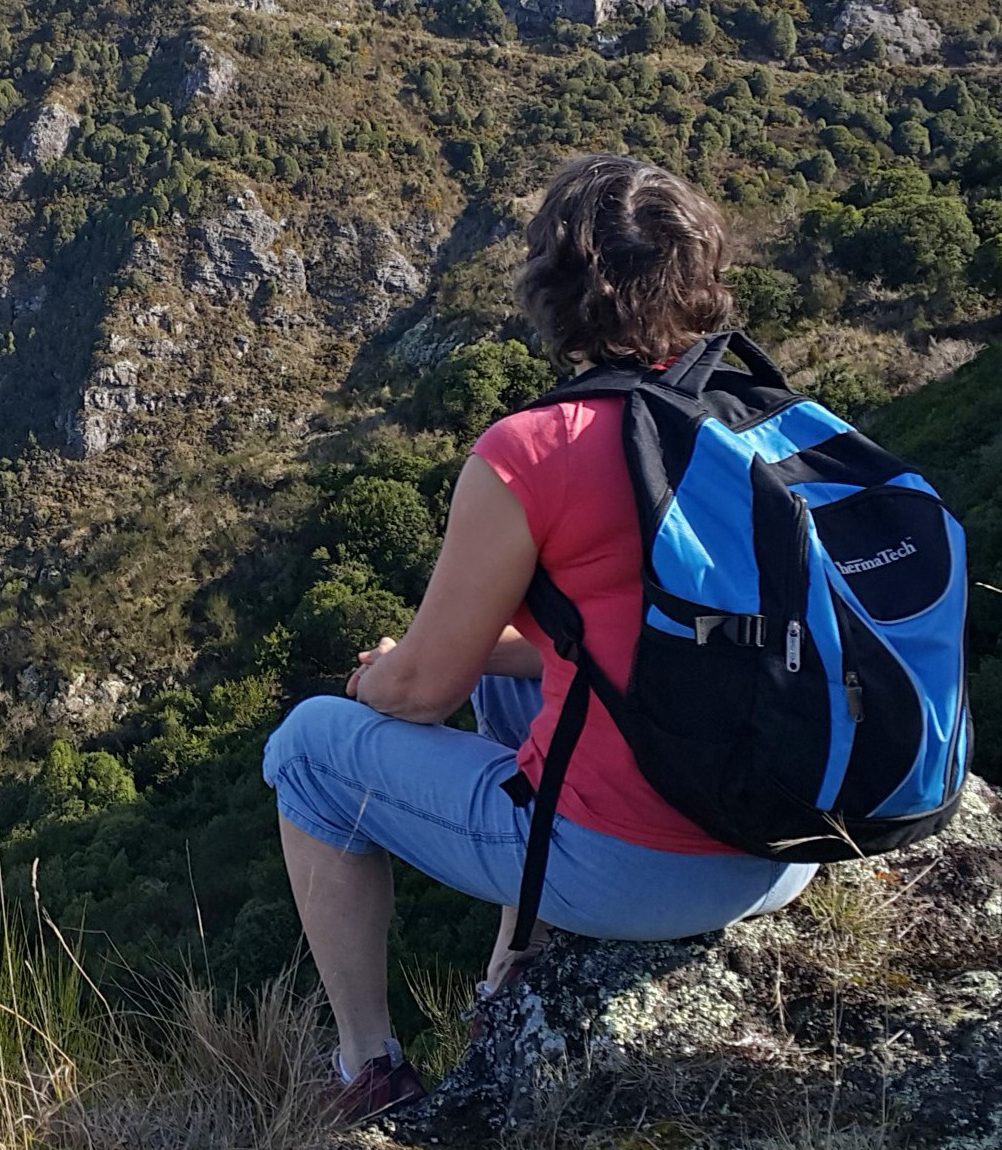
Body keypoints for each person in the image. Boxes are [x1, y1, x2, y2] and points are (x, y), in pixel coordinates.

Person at [261, 154, 818, 1119]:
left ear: (553, 290)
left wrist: (375, 681)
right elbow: (645, 641)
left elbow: (422, 693)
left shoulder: (537, 447)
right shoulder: (766, 420)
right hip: (791, 842)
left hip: (647, 872)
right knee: (513, 683)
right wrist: (457, 662)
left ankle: (364, 1070)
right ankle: (509, 981)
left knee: (305, 753)